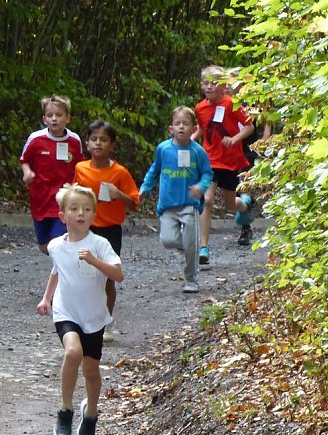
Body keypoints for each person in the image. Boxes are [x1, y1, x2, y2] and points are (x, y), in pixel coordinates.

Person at [36, 183, 124, 435]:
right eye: (74, 208)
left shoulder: (100, 244)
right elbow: (57, 271)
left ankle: (91, 413)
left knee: (91, 371)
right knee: (73, 352)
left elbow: (118, 275)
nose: (81, 213)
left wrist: (95, 261)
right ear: (62, 216)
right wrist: (46, 298)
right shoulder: (55, 246)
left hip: (93, 316)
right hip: (66, 311)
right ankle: (65, 410)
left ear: (94, 216)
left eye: (86, 209)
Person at [74, 120, 139, 343]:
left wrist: (118, 194)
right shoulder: (80, 168)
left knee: (108, 278)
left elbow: (134, 203)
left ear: (112, 145)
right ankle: (85, 321)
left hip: (110, 230)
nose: (98, 143)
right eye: (94, 139)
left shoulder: (120, 172)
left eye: (103, 140)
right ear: (87, 144)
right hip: (86, 230)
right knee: (85, 276)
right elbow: (73, 195)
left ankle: (107, 322)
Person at [138, 106, 212, 294]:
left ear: (194, 128)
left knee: (191, 245)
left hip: (189, 204)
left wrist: (201, 187)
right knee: (168, 241)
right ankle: (189, 247)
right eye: (177, 124)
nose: (181, 127)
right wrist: (145, 187)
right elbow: (154, 170)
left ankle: (191, 280)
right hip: (168, 204)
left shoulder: (198, 151)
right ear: (171, 128)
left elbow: (207, 174)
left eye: (185, 124)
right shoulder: (163, 149)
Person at [193, 65, 256, 257]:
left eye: (214, 83)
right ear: (201, 86)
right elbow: (202, 129)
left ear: (222, 86)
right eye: (206, 83)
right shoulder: (200, 108)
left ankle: (245, 205)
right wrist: (189, 140)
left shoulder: (231, 104)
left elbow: (249, 127)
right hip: (209, 160)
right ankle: (203, 248)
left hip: (229, 160)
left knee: (230, 206)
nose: (209, 87)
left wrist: (235, 139)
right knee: (207, 199)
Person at [20, 95, 85, 254]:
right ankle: (63, 260)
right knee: (45, 246)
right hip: (41, 199)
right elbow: (24, 160)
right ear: (44, 119)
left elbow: (81, 166)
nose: (54, 119)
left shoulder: (74, 140)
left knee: (60, 241)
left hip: (64, 199)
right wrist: (27, 172)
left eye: (59, 115)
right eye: (50, 115)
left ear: (67, 118)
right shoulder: (36, 139)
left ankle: (65, 267)